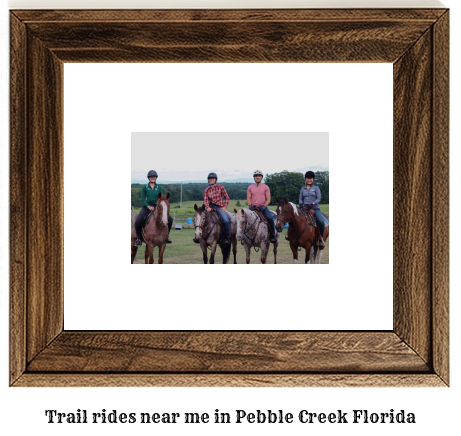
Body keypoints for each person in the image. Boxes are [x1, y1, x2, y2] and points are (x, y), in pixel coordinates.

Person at [134, 170, 173, 247]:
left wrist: (157, 206)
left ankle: (167, 236)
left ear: (156, 178)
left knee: (170, 219)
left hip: (157, 206)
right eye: (151, 177)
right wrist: (148, 206)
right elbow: (142, 199)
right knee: (138, 221)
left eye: (154, 177)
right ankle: (139, 239)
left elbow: (161, 198)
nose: (153, 178)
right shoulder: (145, 187)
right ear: (149, 178)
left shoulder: (159, 187)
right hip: (146, 207)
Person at [247, 170, 277, 243]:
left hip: (262, 207)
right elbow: (248, 198)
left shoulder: (266, 187)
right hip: (253, 207)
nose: (257, 177)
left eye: (259, 176)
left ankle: (272, 235)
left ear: (261, 177)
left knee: (270, 218)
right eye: (256, 176)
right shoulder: (250, 187)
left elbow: (268, 198)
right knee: (245, 220)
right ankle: (245, 236)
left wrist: (264, 206)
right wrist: (250, 205)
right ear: (254, 177)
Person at [297, 170, 325, 247]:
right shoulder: (303, 189)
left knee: (320, 221)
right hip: (304, 208)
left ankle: (321, 238)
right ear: (305, 179)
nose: (309, 180)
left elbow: (318, 199)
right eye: (307, 178)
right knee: (296, 219)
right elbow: (300, 198)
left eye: (311, 178)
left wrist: (312, 204)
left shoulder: (316, 188)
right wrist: (300, 204)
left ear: (313, 179)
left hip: (315, 208)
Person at [203, 172, 231, 246]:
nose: (212, 180)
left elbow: (227, 197)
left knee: (225, 220)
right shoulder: (206, 190)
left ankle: (226, 238)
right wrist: (207, 207)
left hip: (219, 207)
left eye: (213, 178)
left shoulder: (220, 187)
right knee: (201, 218)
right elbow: (205, 200)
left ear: (215, 180)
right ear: (208, 180)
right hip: (211, 207)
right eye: (210, 179)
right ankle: (200, 236)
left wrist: (224, 207)